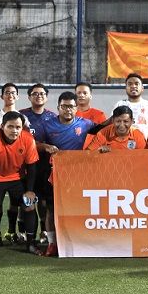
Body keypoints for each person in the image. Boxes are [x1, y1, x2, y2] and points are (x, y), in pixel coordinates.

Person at [38, 92, 96, 256]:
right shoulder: (47, 124)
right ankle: (51, 243)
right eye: (64, 106)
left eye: (71, 106)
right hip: (54, 174)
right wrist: (46, 147)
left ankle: (78, 241)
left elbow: (102, 133)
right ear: (58, 107)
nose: (68, 109)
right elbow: (34, 143)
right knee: (51, 207)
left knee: (79, 206)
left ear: (76, 108)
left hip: (79, 174)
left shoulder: (86, 124)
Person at [0, 111, 40, 260]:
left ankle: (31, 243)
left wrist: (30, 191)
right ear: (2, 126)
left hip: (18, 178)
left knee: (29, 204)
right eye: (10, 127)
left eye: (18, 127)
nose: (14, 130)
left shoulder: (27, 139)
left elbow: (32, 167)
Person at [0, 83, 28, 246]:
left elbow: (26, 141)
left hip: (17, 170)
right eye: (7, 92)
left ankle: (13, 231)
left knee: (16, 204)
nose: (10, 95)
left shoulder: (24, 118)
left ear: (17, 96)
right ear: (2, 96)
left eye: (13, 93)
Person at [19, 84, 58, 248]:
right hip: (27, 164)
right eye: (35, 93)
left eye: (42, 93)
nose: (39, 96)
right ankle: (24, 233)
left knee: (45, 202)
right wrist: (43, 146)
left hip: (46, 165)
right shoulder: (22, 116)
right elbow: (22, 140)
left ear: (47, 97)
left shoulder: (53, 117)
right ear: (29, 97)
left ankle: (43, 231)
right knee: (27, 200)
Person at [113, 73, 148, 138]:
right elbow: (112, 125)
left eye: (136, 84)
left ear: (142, 88)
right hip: (123, 145)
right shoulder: (119, 104)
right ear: (125, 88)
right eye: (130, 84)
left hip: (145, 145)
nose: (133, 86)